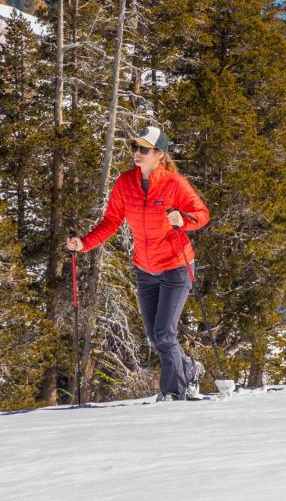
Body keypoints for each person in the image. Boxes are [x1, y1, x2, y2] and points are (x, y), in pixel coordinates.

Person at [66, 126, 210, 402]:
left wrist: (184, 219)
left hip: (177, 265)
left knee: (165, 333)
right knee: (156, 339)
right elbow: (111, 221)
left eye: (144, 149)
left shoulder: (173, 183)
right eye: (135, 147)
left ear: (159, 154)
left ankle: (172, 392)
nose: (137, 153)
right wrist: (84, 243)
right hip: (145, 268)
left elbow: (202, 214)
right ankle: (189, 369)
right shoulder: (125, 182)